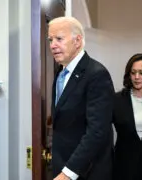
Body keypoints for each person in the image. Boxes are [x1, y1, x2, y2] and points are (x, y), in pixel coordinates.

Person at [48, 17, 114, 180]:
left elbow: (97, 132)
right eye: (50, 40)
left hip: (86, 172)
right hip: (62, 169)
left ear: (77, 41)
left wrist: (68, 173)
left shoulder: (97, 74)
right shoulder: (60, 74)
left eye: (59, 39)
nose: (53, 45)